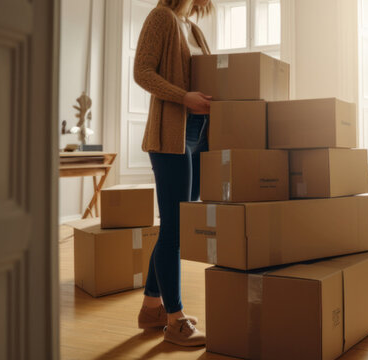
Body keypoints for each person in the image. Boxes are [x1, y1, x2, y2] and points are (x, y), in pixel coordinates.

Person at [132, 0, 213, 347]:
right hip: (170, 138)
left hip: (196, 135)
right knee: (175, 230)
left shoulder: (193, 28)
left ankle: (152, 307)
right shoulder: (161, 18)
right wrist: (184, 98)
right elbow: (142, 73)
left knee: (174, 227)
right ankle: (175, 320)